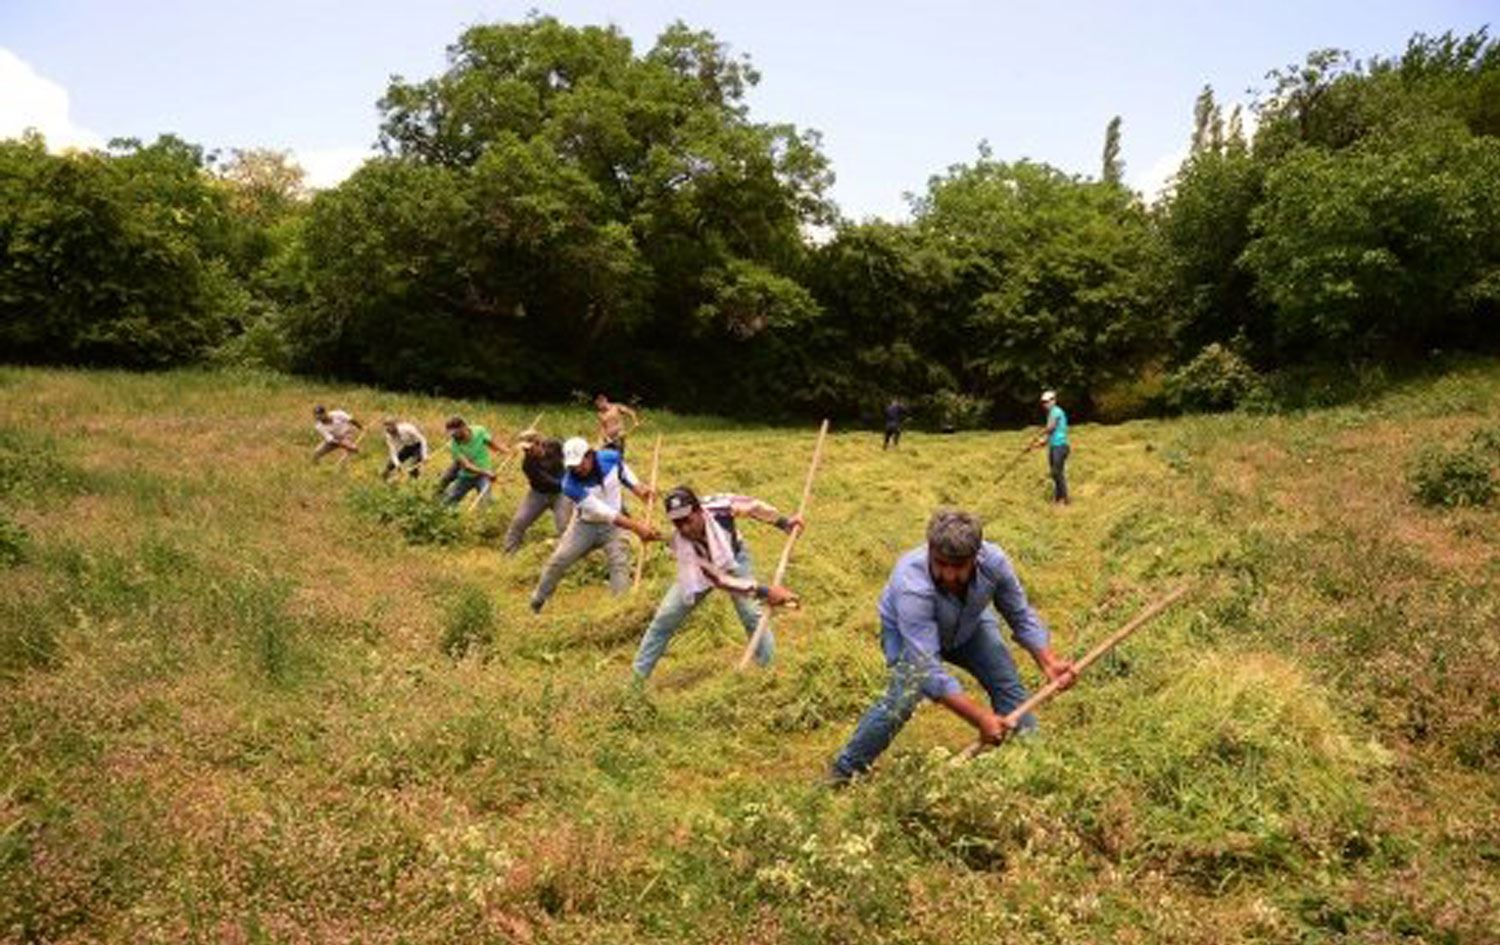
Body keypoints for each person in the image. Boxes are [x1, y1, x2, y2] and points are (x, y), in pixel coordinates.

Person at [828, 508, 1075, 784]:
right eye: (941, 563)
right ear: (930, 550)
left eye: (958, 567)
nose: (948, 575)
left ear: (976, 558)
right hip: (907, 634)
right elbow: (928, 669)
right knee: (902, 698)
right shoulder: (911, 583)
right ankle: (844, 770)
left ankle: (1036, 763)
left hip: (970, 624)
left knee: (1006, 682)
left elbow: (1019, 614)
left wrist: (1048, 661)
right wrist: (980, 718)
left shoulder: (994, 563)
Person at [631, 486, 803, 679]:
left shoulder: (719, 507)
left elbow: (752, 506)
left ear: (699, 511)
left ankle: (769, 673)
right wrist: (766, 591)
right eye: (678, 524)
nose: (685, 528)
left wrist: (784, 522)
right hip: (698, 573)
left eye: (688, 520)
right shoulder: (683, 545)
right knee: (665, 618)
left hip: (734, 558)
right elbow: (720, 580)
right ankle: (635, 683)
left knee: (751, 615)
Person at [529, 437, 656, 612]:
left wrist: (638, 488)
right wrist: (638, 527)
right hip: (585, 526)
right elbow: (602, 511)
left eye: (580, 464)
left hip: (614, 529)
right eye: (572, 467)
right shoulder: (569, 485)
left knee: (619, 562)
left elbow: (623, 472)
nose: (577, 470)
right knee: (559, 560)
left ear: (590, 455)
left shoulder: (611, 457)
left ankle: (620, 611)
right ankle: (538, 599)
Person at [502, 430, 574, 554]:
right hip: (539, 494)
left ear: (538, 443)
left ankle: (570, 553)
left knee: (564, 525)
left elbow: (571, 454)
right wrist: (568, 483)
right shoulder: (527, 465)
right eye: (524, 450)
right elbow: (549, 481)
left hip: (561, 494)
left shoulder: (554, 445)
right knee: (519, 522)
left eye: (529, 448)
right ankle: (509, 552)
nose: (527, 452)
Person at [441, 415, 504, 507]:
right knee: (448, 502)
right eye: (451, 434)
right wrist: (487, 473)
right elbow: (467, 466)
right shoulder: (454, 445)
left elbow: (491, 444)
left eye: (455, 433)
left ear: (463, 427)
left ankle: (490, 503)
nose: (453, 436)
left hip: (483, 477)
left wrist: (506, 451)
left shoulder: (479, 431)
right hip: (466, 476)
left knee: (485, 502)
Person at [1030, 390, 1070, 504]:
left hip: (1060, 447)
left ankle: (1064, 499)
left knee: (1057, 472)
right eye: (1043, 402)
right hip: (1053, 447)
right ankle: (1059, 499)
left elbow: (1051, 428)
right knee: (1055, 473)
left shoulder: (1056, 411)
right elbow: (1050, 434)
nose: (1045, 404)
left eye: (1047, 401)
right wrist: (1038, 444)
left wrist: (1039, 434)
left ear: (1053, 400)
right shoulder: (1050, 413)